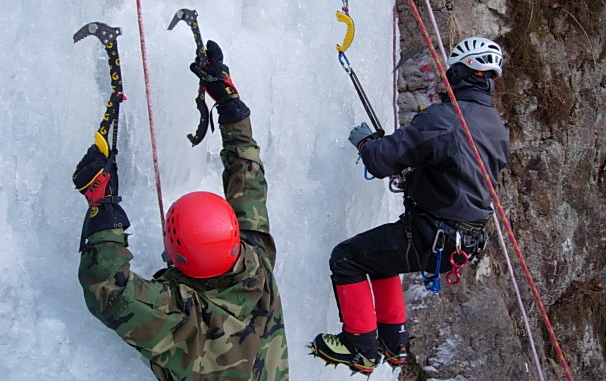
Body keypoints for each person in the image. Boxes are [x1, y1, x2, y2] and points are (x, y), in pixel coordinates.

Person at [73, 40, 289, 381]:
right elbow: (248, 185)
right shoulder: (256, 264)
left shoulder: (182, 318)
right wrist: (231, 106)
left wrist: (103, 211)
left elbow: (108, 290)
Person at [310, 37, 510, 375]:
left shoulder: (446, 119)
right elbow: (459, 171)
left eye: (451, 71)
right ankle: (394, 342)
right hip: (460, 240)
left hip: (433, 234)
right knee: (381, 261)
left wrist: (366, 143)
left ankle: (360, 346)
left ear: (461, 73)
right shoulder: (494, 124)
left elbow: (381, 159)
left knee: (347, 258)